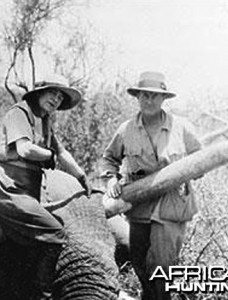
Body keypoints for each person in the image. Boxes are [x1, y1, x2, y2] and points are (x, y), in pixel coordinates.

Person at [0, 76, 92, 299]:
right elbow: (25, 150)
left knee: (20, 247)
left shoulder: (45, 121)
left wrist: (81, 176)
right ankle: (41, 294)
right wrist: (48, 155)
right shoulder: (19, 113)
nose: (56, 99)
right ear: (39, 92)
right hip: (7, 187)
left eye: (61, 96)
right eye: (53, 92)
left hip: (26, 189)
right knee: (53, 233)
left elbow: (61, 153)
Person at [101, 71, 202, 300]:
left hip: (172, 204)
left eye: (154, 96)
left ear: (163, 99)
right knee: (139, 261)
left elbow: (199, 158)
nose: (149, 100)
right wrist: (111, 179)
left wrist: (191, 172)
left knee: (161, 265)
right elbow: (109, 158)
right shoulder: (126, 129)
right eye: (144, 95)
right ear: (137, 97)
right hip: (139, 202)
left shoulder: (182, 127)